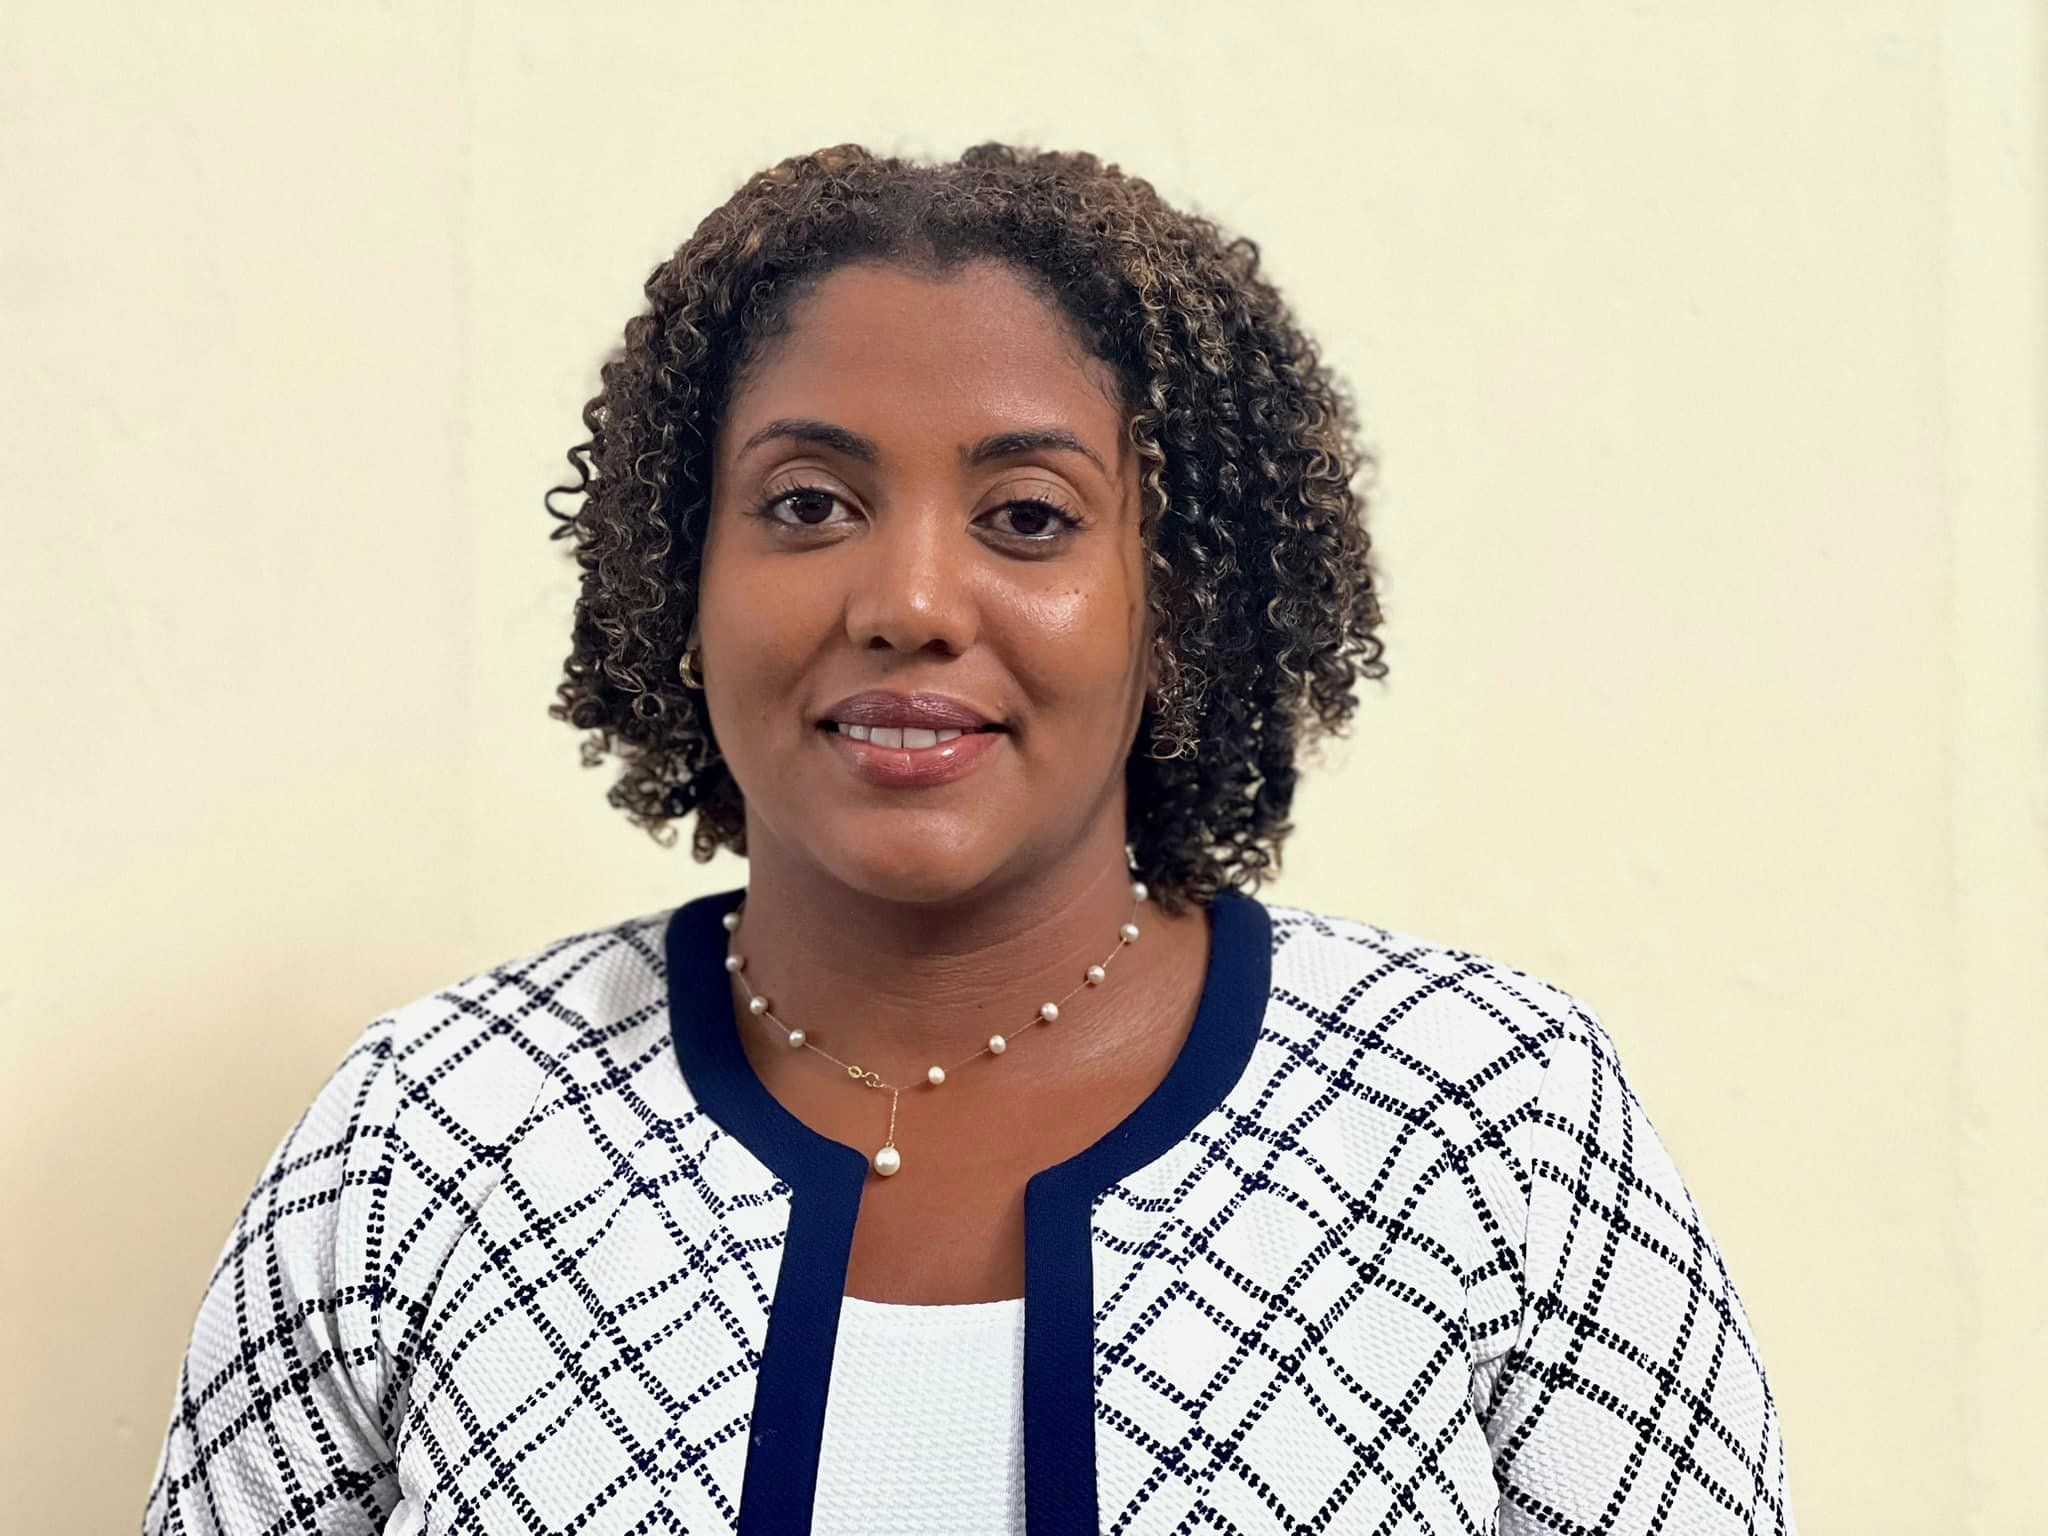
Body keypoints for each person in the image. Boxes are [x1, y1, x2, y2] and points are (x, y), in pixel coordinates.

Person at [144, 142, 1796, 1535]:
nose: (911, 601)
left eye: (1028, 517)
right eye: (807, 504)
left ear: (1177, 599)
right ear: (679, 574)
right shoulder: (429, 1139)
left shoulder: (1482, 1121)